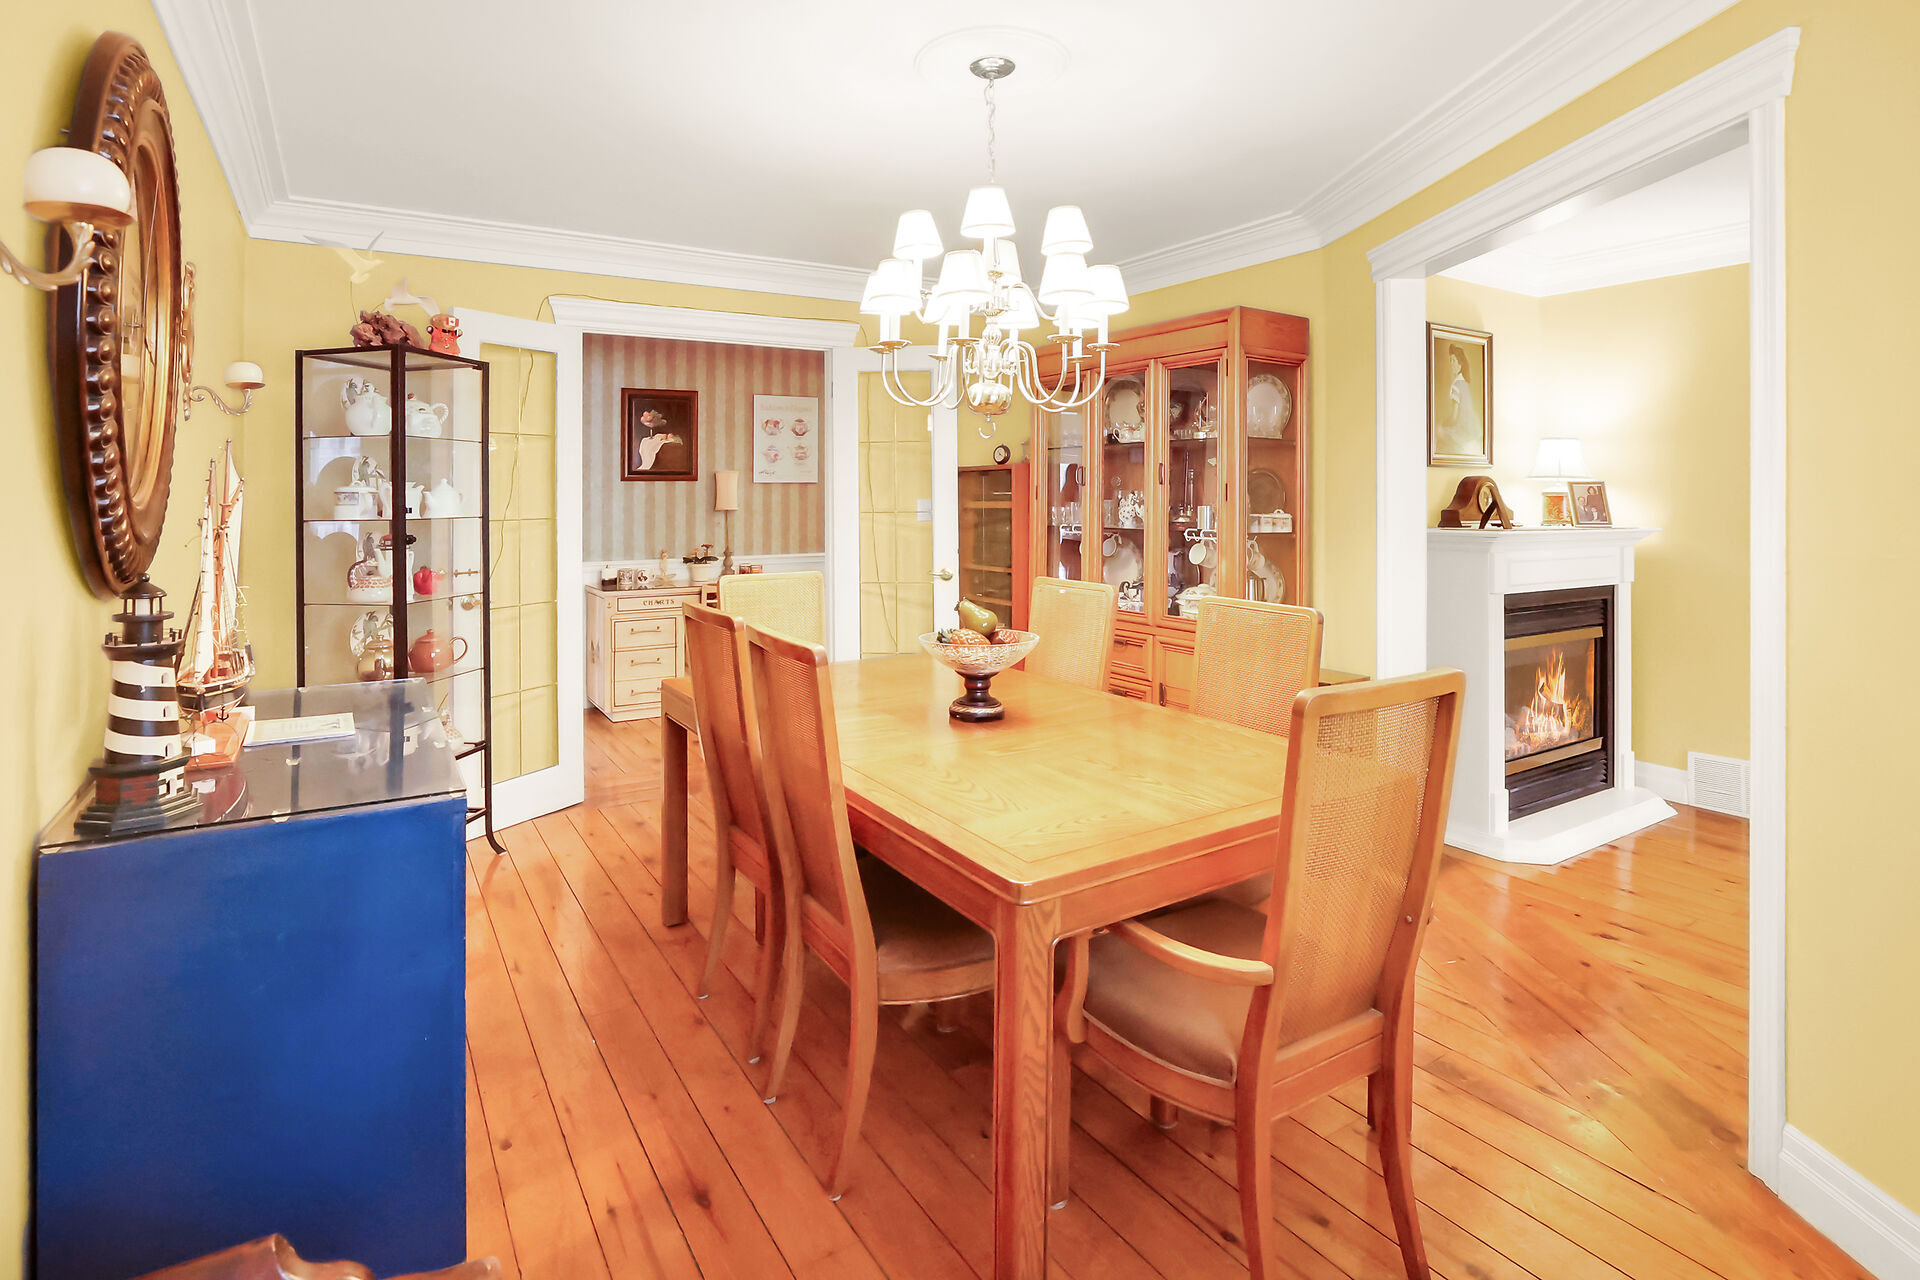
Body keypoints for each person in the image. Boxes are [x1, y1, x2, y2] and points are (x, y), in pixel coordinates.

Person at [1437, 343, 1482, 456]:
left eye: (1453, 360)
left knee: (1437, 432)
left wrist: (1443, 425)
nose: (1451, 364)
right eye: (1450, 360)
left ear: (1460, 364)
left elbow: (1454, 416)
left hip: (1462, 430)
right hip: (1471, 428)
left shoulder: (1456, 386)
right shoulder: (1464, 383)